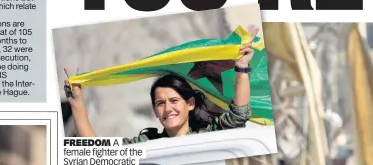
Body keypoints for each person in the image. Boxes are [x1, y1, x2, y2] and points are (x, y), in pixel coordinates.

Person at [63, 25, 257, 140]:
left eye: (174, 101)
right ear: (155, 111)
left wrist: (241, 68)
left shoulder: (208, 136)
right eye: (160, 103)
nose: (167, 109)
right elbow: (103, 156)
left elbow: (238, 114)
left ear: (190, 104)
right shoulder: (147, 143)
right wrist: (78, 104)